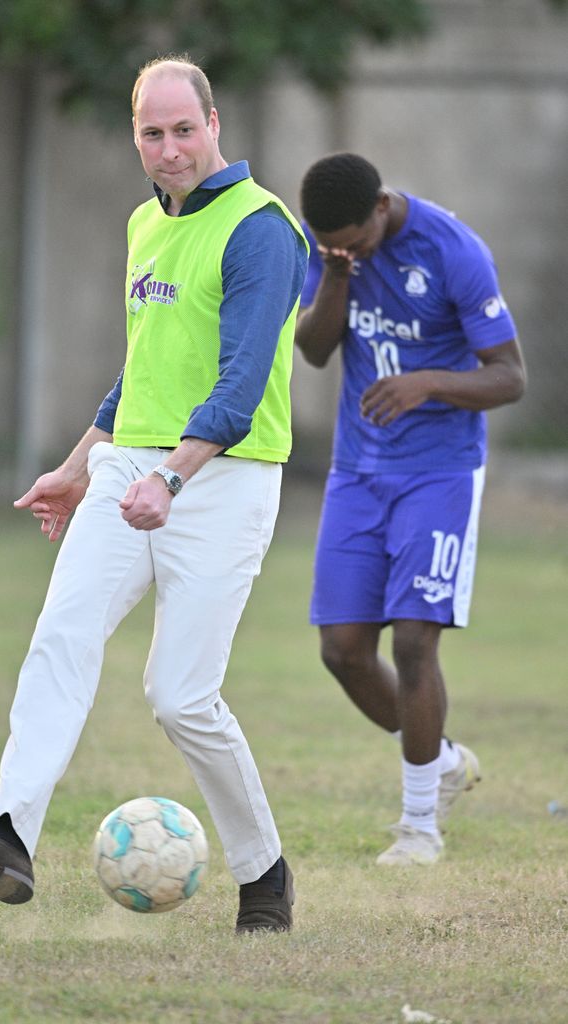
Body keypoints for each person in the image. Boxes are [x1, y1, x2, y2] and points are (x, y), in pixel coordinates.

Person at [0, 55, 309, 932]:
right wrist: (81, 461)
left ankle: (265, 874)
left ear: (215, 125)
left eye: (183, 130)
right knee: (62, 632)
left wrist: (173, 477)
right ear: (134, 135)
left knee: (180, 696)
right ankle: (8, 835)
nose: (168, 150)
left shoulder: (262, 231)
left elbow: (240, 387)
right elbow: (141, 371)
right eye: (150, 133)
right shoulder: (144, 224)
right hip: (133, 467)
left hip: (224, 478)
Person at [295, 153, 526, 866]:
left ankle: (419, 826)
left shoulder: (453, 251)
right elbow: (313, 348)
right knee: (342, 651)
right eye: (330, 243)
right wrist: (335, 273)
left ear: (382, 207)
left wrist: (425, 382)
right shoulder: (330, 250)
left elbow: (510, 376)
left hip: (440, 471)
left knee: (415, 643)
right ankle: (443, 758)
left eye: (354, 242)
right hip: (357, 470)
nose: (345, 250)